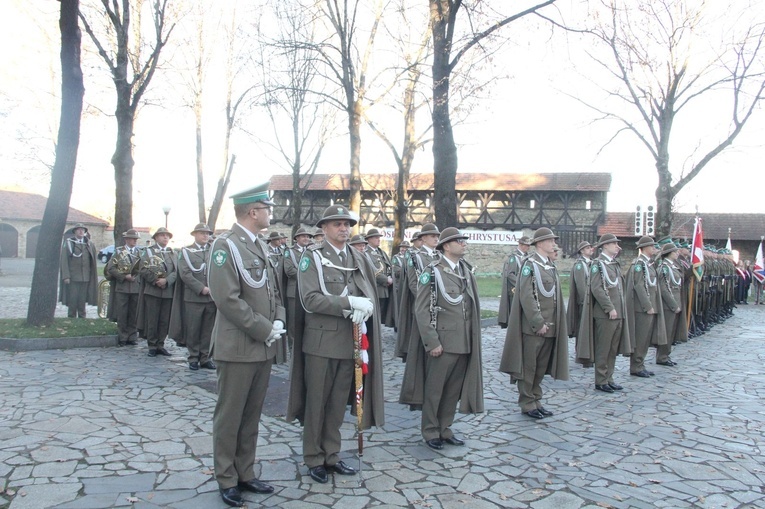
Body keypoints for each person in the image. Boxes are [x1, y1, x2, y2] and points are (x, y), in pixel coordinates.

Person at [287, 204, 385, 484]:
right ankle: (314, 458)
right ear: (324, 228)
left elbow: (367, 292)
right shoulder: (312, 257)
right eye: (338, 224)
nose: (344, 228)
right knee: (316, 403)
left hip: (350, 342)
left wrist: (364, 307)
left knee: (337, 404)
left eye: (347, 224)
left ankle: (332, 454)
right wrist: (348, 303)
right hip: (320, 342)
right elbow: (310, 299)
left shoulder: (357, 256)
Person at [207, 183, 286, 507]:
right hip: (238, 346)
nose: (270, 213)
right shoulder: (226, 246)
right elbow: (226, 298)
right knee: (230, 416)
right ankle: (227, 478)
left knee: (251, 414)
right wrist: (264, 328)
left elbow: (273, 291)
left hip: (261, 345)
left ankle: (246, 472)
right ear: (253, 212)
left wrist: (278, 319)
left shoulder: (260, 246)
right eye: (266, 208)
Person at [401, 227, 483, 449]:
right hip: (443, 342)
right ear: (447, 246)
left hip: (463, 341)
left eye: (464, 240)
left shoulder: (465, 270)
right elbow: (422, 309)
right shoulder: (432, 271)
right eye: (459, 241)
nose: (464, 244)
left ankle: (445, 428)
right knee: (435, 390)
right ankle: (430, 431)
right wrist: (432, 342)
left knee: (452, 391)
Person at [499, 227, 568, 419]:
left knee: (540, 368)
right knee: (529, 368)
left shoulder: (549, 265)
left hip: (551, 325)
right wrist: (538, 322)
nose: (553, 243)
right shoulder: (529, 265)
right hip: (534, 327)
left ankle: (536, 399)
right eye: (549, 240)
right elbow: (526, 296)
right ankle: (527, 402)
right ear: (539, 243)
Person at [580, 233, 631, 393]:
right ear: (605, 246)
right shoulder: (598, 264)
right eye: (614, 244)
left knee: (613, 348)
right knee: (604, 348)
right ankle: (601, 379)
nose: (618, 246)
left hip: (618, 312)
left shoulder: (614, 264)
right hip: (605, 313)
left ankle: (609, 377)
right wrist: (609, 307)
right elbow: (597, 288)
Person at [169, 223, 217, 371]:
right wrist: (200, 288)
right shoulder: (186, 252)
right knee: (193, 329)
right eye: (202, 233)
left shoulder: (214, 251)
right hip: (194, 297)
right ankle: (193, 357)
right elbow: (185, 274)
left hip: (211, 297)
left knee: (208, 329)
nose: (205, 236)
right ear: (194, 234)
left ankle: (205, 357)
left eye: (208, 233)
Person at [396, 225, 440, 362]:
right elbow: (414, 284)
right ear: (424, 238)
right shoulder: (415, 258)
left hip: (440, 307)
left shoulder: (440, 256)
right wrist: (428, 301)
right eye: (432, 236)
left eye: (437, 236)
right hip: (423, 305)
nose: (436, 239)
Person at [625, 236, 667, 378]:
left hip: (650, 306)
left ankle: (640, 363)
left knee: (645, 339)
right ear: (644, 248)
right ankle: (636, 366)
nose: (654, 248)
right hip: (642, 308)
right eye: (652, 246)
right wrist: (647, 306)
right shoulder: (639, 264)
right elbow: (639, 286)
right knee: (641, 338)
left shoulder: (648, 264)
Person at [138, 227, 178, 357]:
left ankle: (161, 344)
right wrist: (156, 280)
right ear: (156, 238)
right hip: (153, 291)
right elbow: (143, 269)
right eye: (162, 235)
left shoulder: (173, 253)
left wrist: (166, 281)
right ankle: (152, 345)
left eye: (167, 236)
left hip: (168, 291)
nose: (165, 238)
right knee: (152, 319)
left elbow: (177, 272)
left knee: (164, 320)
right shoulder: (148, 252)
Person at [106, 229, 142, 346]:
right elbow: (111, 268)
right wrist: (124, 277)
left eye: (136, 239)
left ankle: (132, 336)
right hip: (122, 287)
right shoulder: (118, 252)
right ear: (126, 240)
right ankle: (123, 337)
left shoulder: (139, 252)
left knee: (133, 313)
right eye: (132, 239)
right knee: (122, 313)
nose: (134, 241)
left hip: (136, 287)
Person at [282, 226, 314, 352]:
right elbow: (289, 270)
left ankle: (304, 345)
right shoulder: (289, 252)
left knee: (307, 319)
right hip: (294, 291)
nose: (306, 238)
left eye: (308, 236)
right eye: (303, 236)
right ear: (297, 238)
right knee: (294, 321)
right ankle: (293, 347)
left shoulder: (311, 251)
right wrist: (307, 276)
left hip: (308, 291)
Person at [656, 242, 688, 366]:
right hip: (668, 305)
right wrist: (674, 305)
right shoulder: (664, 267)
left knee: (672, 332)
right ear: (669, 253)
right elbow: (664, 288)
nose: (677, 253)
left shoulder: (673, 266)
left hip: (675, 302)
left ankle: (666, 354)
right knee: (667, 332)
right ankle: (662, 356)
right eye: (675, 252)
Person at [59, 223, 98, 318]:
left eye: (83, 230)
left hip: (86, 277)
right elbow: (64, 261)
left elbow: (92, 261)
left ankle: (82, 317)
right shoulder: (69, 243)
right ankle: (71, 316)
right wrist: (66, 276)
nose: (81, 231)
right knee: (72, 298)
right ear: (75, 232)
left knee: (82, 299)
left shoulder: (89, 244)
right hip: (73, 277)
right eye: (78, 229)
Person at [566, 240, 594, 366]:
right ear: (582, 251)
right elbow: (581, 285)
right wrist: (586, 301)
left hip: (591, 302)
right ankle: (581, 353)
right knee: (582, 328)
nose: (590, 249)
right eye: (587, 248)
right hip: (584, 303)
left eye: (590, 247)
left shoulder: (592, 263)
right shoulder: (579, 265)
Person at [498, 236, 531, 329]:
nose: (528, 247)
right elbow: (510, 274)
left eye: (529, 245)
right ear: (520, 245)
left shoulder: (527, 257)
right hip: (515, 289)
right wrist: (521, 283)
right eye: (526, 245)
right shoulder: (514, 258)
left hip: (524, 289)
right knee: (515, 314)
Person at [365, 228, 394, 327]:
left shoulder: (381, 252)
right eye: (376, 237)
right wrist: (386, 279)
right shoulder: (366, 253)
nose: (378, 239)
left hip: (385, 289)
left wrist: (390, 276)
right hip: (376, 288)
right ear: (369, 239)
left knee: (380, 316)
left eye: (379, 237)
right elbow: (371, 271)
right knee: (373, 317)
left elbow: (388, 266)